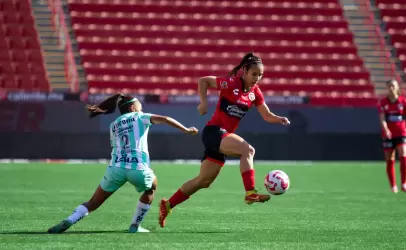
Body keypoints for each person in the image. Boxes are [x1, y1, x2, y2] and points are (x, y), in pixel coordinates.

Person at [159, 52, 290, 228]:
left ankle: (167, 204)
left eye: (260, 75)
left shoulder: (255, 92)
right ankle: (250, 192)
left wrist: (278, 118)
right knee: (248, 150)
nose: (257, 78)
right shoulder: (232, 83)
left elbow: (266, 115)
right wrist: (204, 103)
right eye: (254, 74)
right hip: (214, 132)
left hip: (222, 137)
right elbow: (203, 81)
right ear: (244, 70)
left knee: (203, 181)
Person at [47, 93, 198, 234]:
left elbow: (115, 146)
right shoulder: (140, 116)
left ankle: (70, 219)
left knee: (93, 202)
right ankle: (135, 226)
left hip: (116, 167)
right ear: (133, 107)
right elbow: (165, 119)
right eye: (140, 105)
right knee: (152, 187)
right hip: (137, 167)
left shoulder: (114, 124)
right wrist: (186, 129)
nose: (142, 108)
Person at [379, 79, 406, 193]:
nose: (391, 88)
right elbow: (382, 118)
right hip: (389, 135)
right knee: (390, 159)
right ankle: (393, 186)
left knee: (403, 154)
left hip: (402, 132)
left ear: (397, 87)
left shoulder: (404, 102)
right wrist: (386, 130)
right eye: (389, 86)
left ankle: (404, 183)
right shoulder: (383, 102)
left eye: (393, 85)